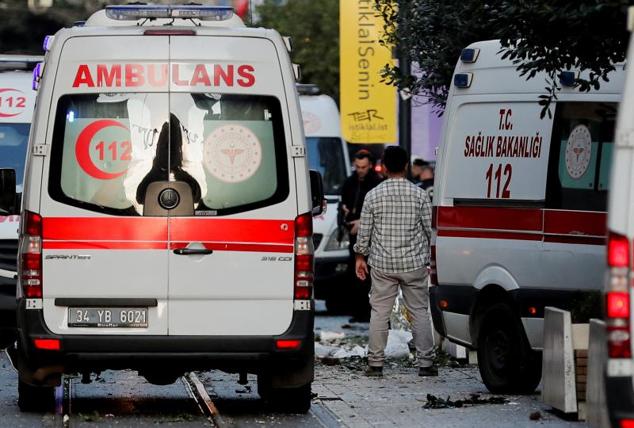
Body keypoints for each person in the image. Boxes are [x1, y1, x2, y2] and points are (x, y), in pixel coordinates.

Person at [353, 146, 436, 377]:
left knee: (379, 312)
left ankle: (376, 363)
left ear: (384, 167)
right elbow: (430, 231)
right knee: (419, 311)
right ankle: (426, 364)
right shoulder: (420, 195)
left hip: (382, 265)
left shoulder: (373, 195)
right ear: (407, 166)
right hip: (414, 265)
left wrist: (360, 257)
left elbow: (365, 233)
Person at [339, 149, 383, 322]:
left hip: (372, 237)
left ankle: (369, 311)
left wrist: (361, 222)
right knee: (355, 273)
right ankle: (358, 311)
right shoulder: (350, 182)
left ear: (370, 165)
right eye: (357, 167)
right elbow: (345, 203)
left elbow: (378, 211)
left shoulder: (376, 183)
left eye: (363, 167)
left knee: (372, 273)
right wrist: (344, 213)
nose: (360, 170)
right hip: (353, 233)